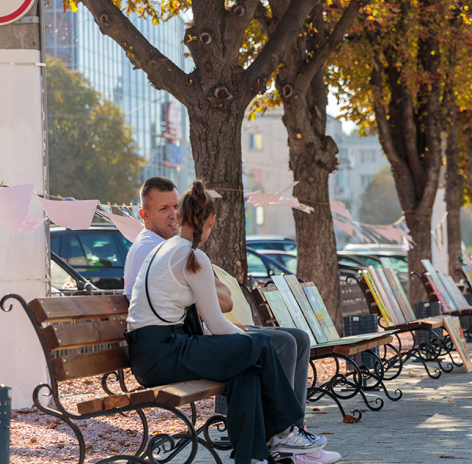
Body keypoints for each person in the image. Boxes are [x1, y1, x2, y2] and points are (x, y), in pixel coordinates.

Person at [124, 177, 338, 464]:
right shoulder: (191, 256)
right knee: (260, 345)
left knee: (245, 367)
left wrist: (240, 342)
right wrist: (245, 339)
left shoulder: (169, 249)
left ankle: (253, 457)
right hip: (163, 353)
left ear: (182, 215)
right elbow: (217, 324)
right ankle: (287, 432)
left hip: (157, 350)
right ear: (211, 220)